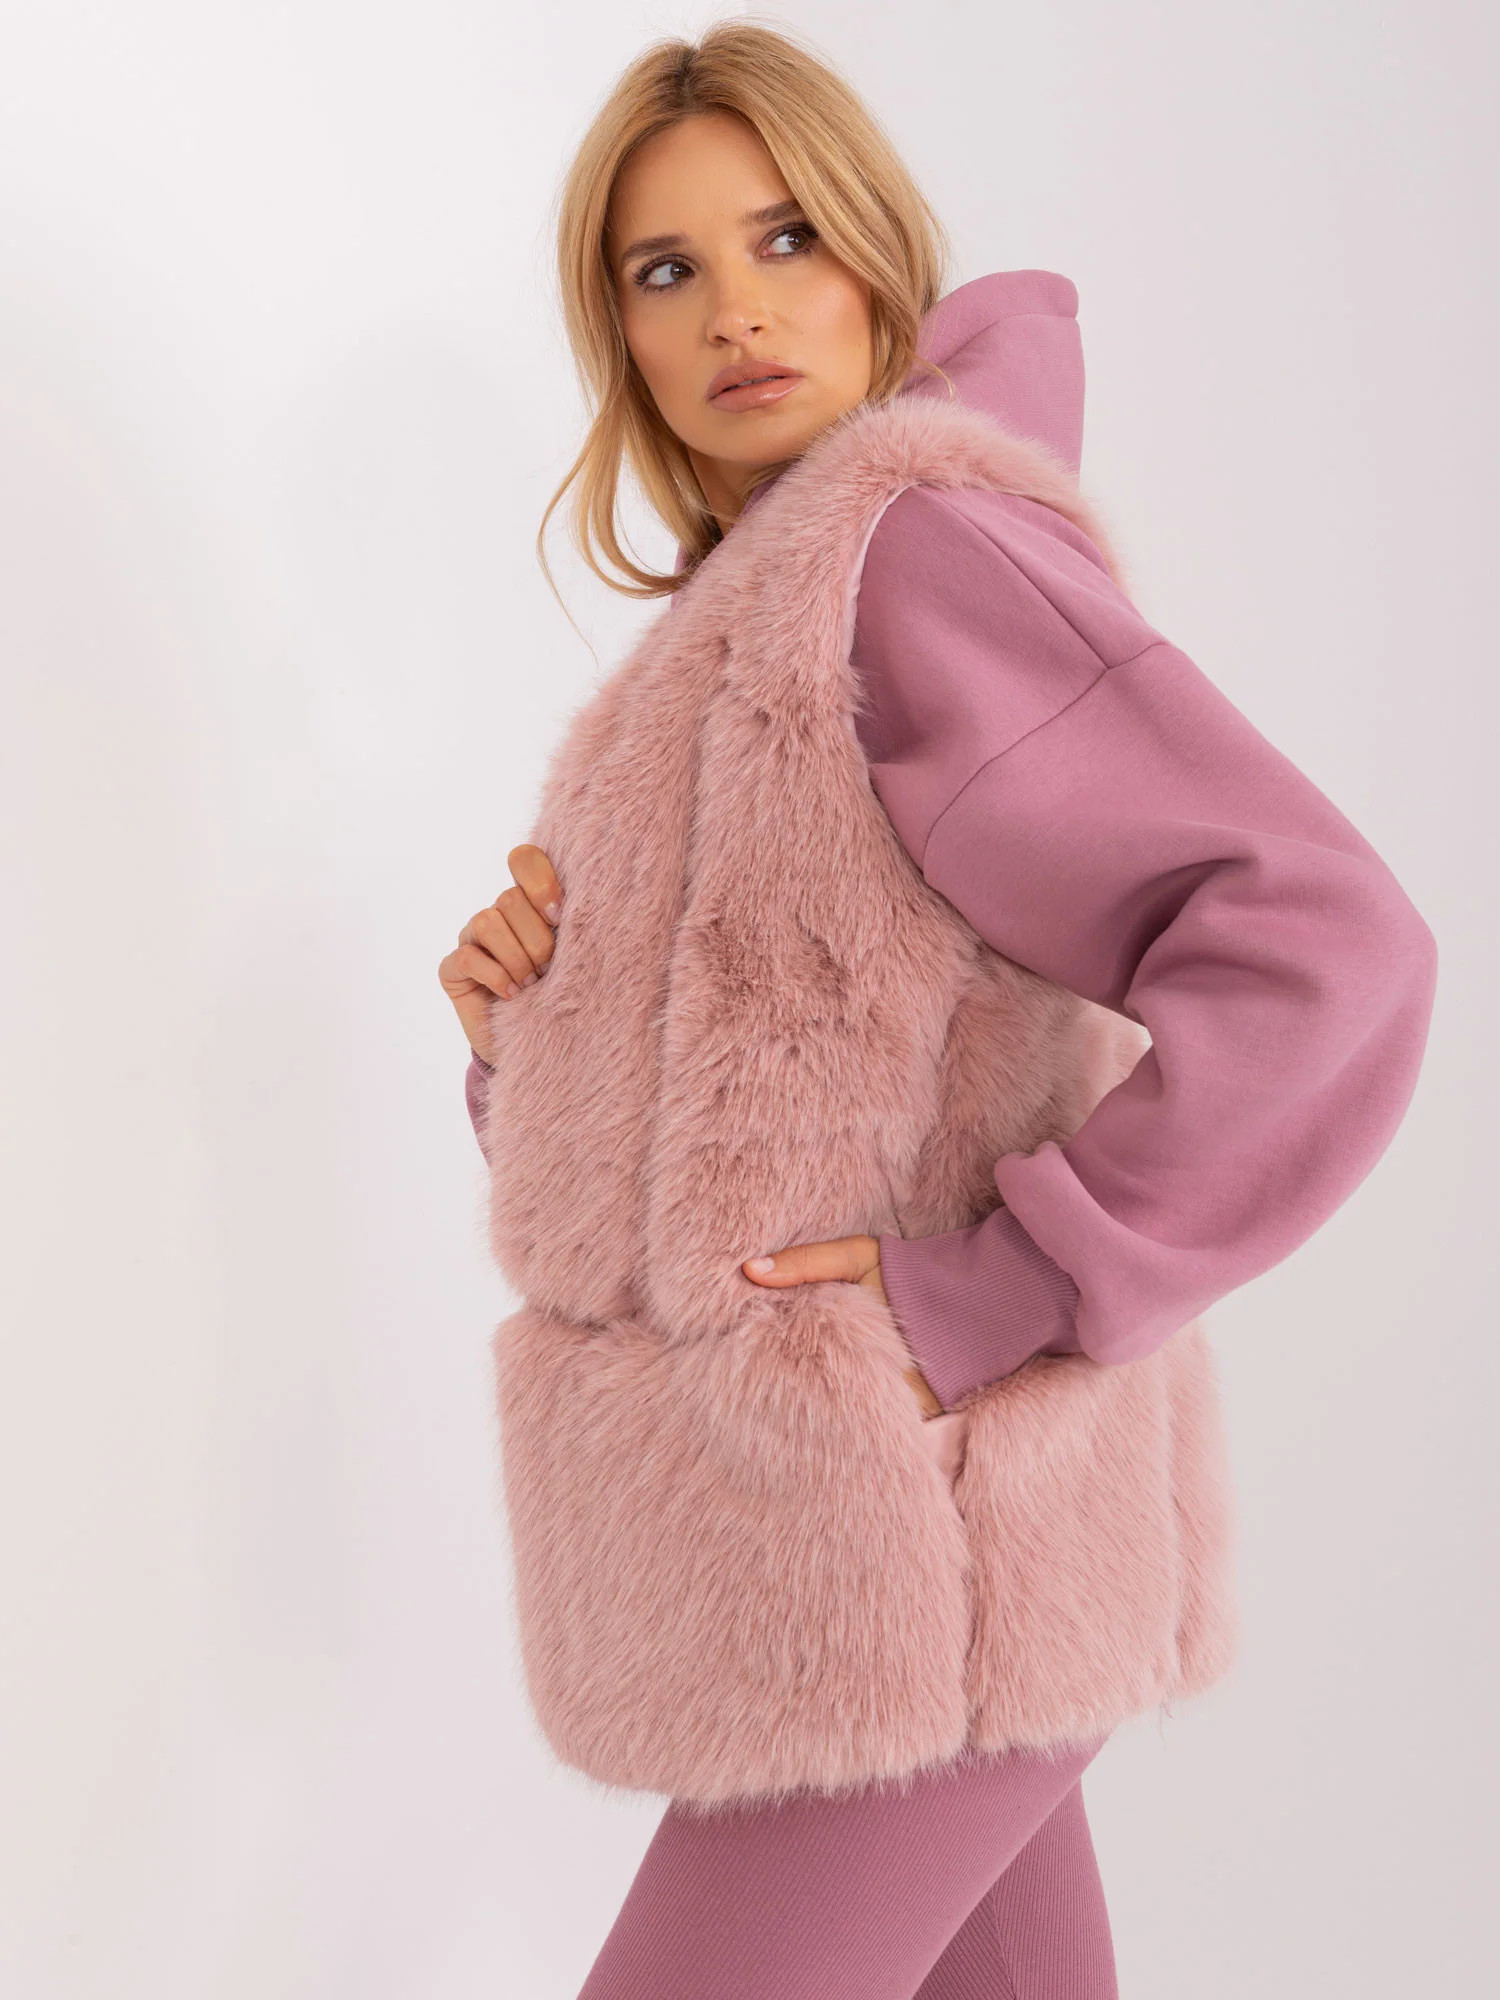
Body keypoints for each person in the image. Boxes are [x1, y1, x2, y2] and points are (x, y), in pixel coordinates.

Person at [436, 25, 1438, 2000]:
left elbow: (1327, 945)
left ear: (881, 255)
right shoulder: (759, 611)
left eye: (786, 237)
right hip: (887, 1548)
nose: (737, 311)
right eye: (667, 269)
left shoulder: (912, 558)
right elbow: (746, 1127)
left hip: (917, 1543)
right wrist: (523, 1027)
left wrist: (1002, 1286)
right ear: (619, 334)